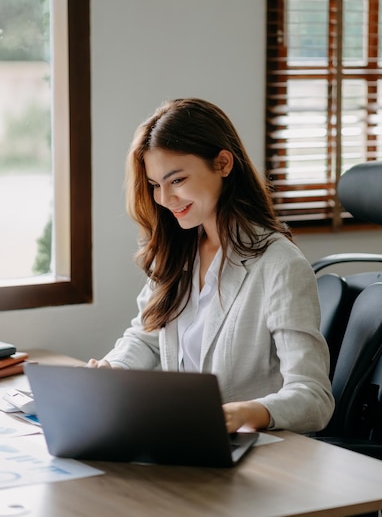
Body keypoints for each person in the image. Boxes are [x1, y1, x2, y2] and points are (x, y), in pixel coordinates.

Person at [88, 98, 334, 434]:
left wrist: (246, 413)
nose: (164, 199)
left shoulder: (280, 265)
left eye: (177, 180)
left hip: (256, 455)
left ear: (222, 164)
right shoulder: (177, 251)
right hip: (186, 438)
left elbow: (314, 397)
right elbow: (147, 337)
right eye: (156, 185)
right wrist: (115, 368)